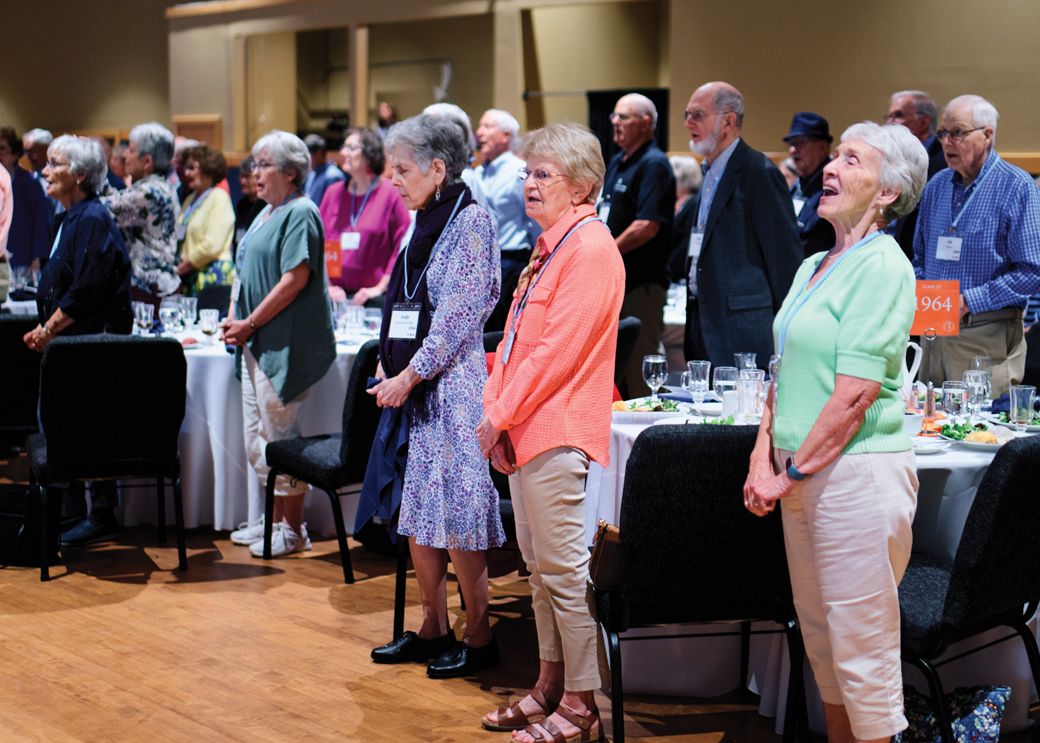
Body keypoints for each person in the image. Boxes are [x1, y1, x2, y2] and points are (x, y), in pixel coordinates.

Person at [744, 121, 928, 743]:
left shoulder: (883, 267)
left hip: (855, 474)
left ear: (886, 192)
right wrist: (760, 461)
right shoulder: (813, 266)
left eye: (852, 159)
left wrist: (788, 474)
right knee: (824, 646)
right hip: (804, 472)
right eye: (836, 155)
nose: (831, 167)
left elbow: (855, 397)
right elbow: (781, 375)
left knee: (862, 652)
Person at [477, 122, 623, 743]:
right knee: (539, 572)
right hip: (525, 427)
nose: (529, 183)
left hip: (556, 429)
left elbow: (554, 355)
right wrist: (499, 413)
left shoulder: (590, 249)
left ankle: (583, 703)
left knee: (564, 575)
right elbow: (512, 344)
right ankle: (547, 684)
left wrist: (497, 415)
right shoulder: (550, 246)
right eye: (527, 172)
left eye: (544, 174)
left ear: (583, 186)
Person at [363, 114, 503, 679]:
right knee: (418, 515)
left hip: (453, 389)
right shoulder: (420, 222)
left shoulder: (471, 223)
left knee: (460, 517)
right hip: (415, 385)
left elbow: (459, 317)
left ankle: (480, 633)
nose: (392, 180)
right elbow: (403, 302)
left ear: (438, 169)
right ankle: (432, 626)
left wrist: (409, 374)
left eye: (402, 169)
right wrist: (386, 358)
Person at [223, 130, 337, 557]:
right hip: (256, 340)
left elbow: (295, 279)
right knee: (258, 438)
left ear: (291, 173)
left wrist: (249, 322)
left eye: (263, 164)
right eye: (253, 164)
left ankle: (293, 529)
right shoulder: (266, 211)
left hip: (282, 341)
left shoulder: (301, 211)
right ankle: (272, 524)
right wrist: (238, 319)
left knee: (281, 436)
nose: (253, 172)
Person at [24, 135, 132, 545]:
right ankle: (68, 510)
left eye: (55, 164)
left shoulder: (92, 218)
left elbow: (88, 288)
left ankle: (101, 513)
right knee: (61, 427)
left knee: (90, 427)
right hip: (70, 347)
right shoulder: (66, 217)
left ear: (82, 175)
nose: (44, 171)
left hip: (90, 346)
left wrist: (48, 328)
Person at [913, 94, 1040, 396]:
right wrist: (925, 296)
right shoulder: (936, 186)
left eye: (957, 132)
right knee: (930, 428)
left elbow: (1032, 270)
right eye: (943, 133)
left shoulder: (1016, 186)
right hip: (932, 335)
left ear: (987, 135)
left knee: (979, 433)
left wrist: (969, 300)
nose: (947, 142)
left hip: (985, 337)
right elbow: (918, 256)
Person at [681, 82, 802, 368]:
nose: (688, 124)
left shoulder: (758, 172)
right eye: (687, 115)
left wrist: (789, 333)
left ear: (728, 121)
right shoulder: (709, 170)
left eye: (697, 115)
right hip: (702, 319)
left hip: (743, 328)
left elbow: (784, 258)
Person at [599, 92, 675, 397]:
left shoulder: (654, 164)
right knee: (615, 370)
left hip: (641, 284)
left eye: (624, 117)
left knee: (637, 371)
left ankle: (644, 442)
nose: (615, 123)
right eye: (614, 117)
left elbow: (647, 226)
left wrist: (605, 252)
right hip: (616, 281)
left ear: (646, 124)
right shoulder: (619, 161)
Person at [318, 127, 409, 306]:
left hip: (374, 298)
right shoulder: (333, 193)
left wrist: (380, 287)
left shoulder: (390, 193)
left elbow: (403, 245)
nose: (343, 152)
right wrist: (327, 284)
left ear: (369, 154)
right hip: (335, 297)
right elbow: (319, 242)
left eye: (351, 148)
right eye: (344, 147)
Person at [101, 122, 181, 311]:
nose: (124, 155)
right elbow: (118, 200)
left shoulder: (149, 193)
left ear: (147, 161)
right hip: (152, 289)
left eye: (131, 149)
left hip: (149, 293)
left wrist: (89, 172)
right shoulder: (157, 186)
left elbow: (103, 210)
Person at [475, 108, 540, 332]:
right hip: (481, 262)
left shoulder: (518, 172)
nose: (479, 132)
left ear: (506, 136)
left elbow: (534, 218)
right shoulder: (479, 172)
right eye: (479, 126)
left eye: (487, 127)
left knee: (498, 330)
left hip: (509, 263)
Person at [885, 90, 945, 259]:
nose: (889, 123)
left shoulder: (944, 161)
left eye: (897, 116)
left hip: (920, 256)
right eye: (888, 116)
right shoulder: (887, 158)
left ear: (924, 122)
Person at [176, 144, 235, 295]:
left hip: (212, 276)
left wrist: (187, 263)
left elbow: (212, 244)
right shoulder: (190, 199)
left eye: (192, 168)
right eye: (186, 167)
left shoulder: (219, 198)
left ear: (208, 168)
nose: (186, 172)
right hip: (191, 275)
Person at [783, 112, 835, 257]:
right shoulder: (797, 182)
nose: (792, 150)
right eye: (791, 144)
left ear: (823, 147)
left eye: (800, 142)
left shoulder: (833, 186)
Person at [0, 127, 51, 272]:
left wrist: (37, 257)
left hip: (21, 258)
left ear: (15, 154)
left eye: (2, 148)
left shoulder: (30, 182)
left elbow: (41, 222)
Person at [233, 155, 265, 263]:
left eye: (246, 177)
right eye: (241, 176)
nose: (242, 181)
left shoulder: (267, 206)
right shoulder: (241, 205)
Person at [302, 134, 345, 206]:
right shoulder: (311, 174)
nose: (305, 160)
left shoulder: (333, 176)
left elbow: (334, 206)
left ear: (319, 153)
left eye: (308, 155)